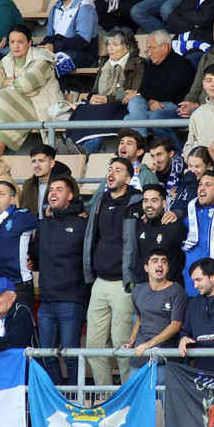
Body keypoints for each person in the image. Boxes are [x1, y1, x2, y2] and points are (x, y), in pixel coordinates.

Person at [83, 159, 141, 384]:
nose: (111, 173)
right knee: (93, 347)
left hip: (124, 284)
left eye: (118, 170)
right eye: (109, 169)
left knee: (123, 345)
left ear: (128, 178)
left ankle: (127, 399)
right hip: (99, 282)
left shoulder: (137, 201)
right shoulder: (99, 200)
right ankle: (104, 396)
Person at [30, 177, 90, 384]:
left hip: (72, 300)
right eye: (50, 190)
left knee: (71, 356)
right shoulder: (44, 223)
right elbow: (35, 254)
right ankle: (58, 397)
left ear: (70, 196)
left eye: (59, 190)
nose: (53, 193)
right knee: (46, 355)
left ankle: (75, 400)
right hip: (46, 301)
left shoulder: (83, 222)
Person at [126, 251, 186, 361]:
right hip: (140, 353)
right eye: (155, 261)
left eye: (164, 261)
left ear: (168, 268)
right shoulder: (137, 291)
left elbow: (176, 325)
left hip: (165, 356)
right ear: (146, 267)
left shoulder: (177, 291)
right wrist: (130, 342)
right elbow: (139, 321)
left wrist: (150, 343)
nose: (160, 264)